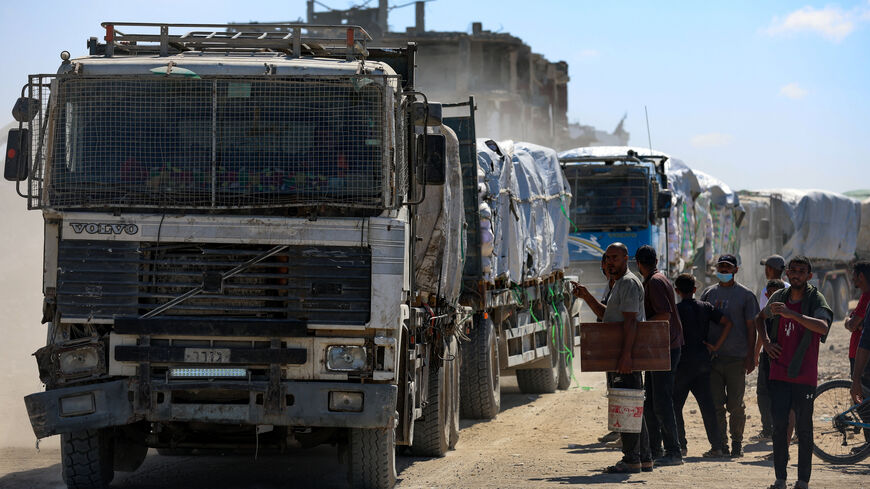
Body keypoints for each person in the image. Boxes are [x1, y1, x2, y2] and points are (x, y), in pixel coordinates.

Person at [573, 243, 651, 474]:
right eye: (607, 258)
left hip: (625, 357)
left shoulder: (627, 282)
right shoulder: (619, 284)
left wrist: (626, 356)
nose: (610, 262)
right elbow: (607, 316)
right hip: (621, 356)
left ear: (627, 258)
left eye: (615, 258)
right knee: (634, 406)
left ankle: (631, 459)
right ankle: (643, 458)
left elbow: (630, 322)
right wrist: (586, 296)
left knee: (627, 406)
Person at [757, 256, 832, 489]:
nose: (797, 274)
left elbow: (822, 327)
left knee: (804, 429)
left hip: (804, 375)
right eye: (794, 270)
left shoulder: (815, 298)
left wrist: (793, 315)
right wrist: (767, 343)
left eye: (802, 271)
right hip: (778, 373)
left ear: (809, 276)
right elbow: (759, 319)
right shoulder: (779, 297)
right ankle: (780, 479)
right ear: (787, 274)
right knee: (779, 428)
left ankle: (803, 482)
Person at [700, 254, 760, 458]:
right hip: (713, 360)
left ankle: (736, 442)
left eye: (727, 267)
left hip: (736, 358)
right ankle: (721, 444)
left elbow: (752, 328)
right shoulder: (708, 293)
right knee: (716, 404)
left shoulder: (746, 295)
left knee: (735, 405)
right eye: (720, 267)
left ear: (735, 270)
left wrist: (751, 356)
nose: (723, 270)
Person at [672, 273, 733, 458]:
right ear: (695, 290)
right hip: (702, 363)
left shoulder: (675, 310)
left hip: (682, 364)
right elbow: (727, 323)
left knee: (675, 407)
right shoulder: (705, 307)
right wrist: (716, 346)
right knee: (707, 407)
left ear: (677, 291)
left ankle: (680, 446)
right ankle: (717, 447)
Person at [634, 245, 684, 466]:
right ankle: (656, 449)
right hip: (660, 347)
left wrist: (639, 326)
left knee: (661, 402)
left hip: (665, 348)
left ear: (638, 263)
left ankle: (674, 451)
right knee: (651, 401)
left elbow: (664, 315)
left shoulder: (654, 282)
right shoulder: (657, 278)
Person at [754, 255, 790, 441]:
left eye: (766, 267)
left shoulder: (768, 291)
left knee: (767, 391)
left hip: (774, 350)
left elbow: (764, 321)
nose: (765, 270)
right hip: (778, 349)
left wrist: (760, 350)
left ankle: (772, 429)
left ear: (772, 269)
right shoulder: (789, 289)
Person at [847, 261, 870, 376]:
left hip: (860, 353)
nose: (852, 279)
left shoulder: (866, 297)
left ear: (861, 276)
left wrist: (847, 322)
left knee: (859, 390)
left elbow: (852, 325)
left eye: (853, 275)